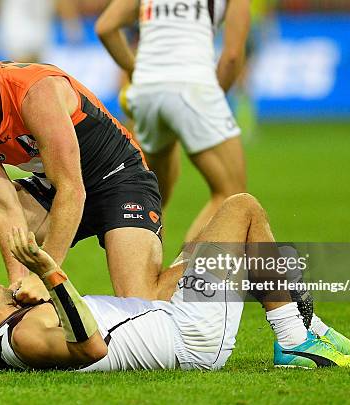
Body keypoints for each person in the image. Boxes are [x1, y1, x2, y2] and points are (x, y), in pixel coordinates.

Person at [0, 193, 350, 370]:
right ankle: (294, 338)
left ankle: (292, 308)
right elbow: (90, 347)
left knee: (221, 239)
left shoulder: (4, 336)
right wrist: (50, 272)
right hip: (191, 333)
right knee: (243, 209)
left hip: (169, 313)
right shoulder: (27, 334)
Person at [0, 39, 165, 299]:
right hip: (55, 191)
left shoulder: (35, 93)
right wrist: (19, 280)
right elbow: (4, 206)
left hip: (119, 181)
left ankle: (210, 260)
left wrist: (44, 276)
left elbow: (72, 189)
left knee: (140, 302)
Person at [95, 0, 250, 241]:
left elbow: (106, 27)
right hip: (192, 84)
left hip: (145, 93)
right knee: (231, 196)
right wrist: (211, 100)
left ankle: (142, 275)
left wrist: (137, 71)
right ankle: (184, 275)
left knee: (152, 197)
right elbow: (231, 57)